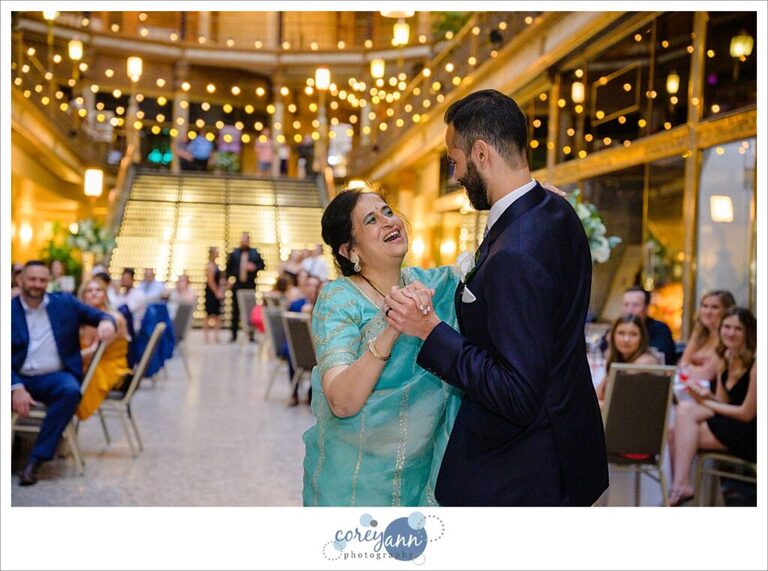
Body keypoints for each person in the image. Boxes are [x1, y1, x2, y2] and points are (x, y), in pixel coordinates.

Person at [383, 89, 608, 506]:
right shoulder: (556, 210)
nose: (455, 176)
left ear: (481, 154)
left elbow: (516, 392)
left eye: (455, 161)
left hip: (521, 470)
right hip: (562, 447)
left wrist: (430, 330)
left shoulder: (516, 252)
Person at [302, 188, 463, 506]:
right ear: (349, 250)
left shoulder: (431, 285)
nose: (389, 221)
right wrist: (395, 325)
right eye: (371, 220)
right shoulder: (339, 299)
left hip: (419, 476)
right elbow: (341, 402)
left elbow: (486, 264)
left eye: (388, 212)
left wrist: (531, 201)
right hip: (355, 481)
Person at [11, 261, 116, 485]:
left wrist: (106, 322)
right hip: (17, 375)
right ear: (20, 280)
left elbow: (102, 316)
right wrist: (14, 386)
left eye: (42, 280)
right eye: (32, 279)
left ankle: (36, 460)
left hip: (54, 377)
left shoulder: (65, 303)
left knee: (70, 391)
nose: (37, 284)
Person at [667, 307, 756, 506]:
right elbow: (722, 402)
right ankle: (684, 488)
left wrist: (706, 402)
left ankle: (680, 486)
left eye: (737, 329)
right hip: (730, 421)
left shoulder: (756, 365)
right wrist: (706, 396)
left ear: (748, 332)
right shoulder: (726, 357)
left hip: (750, 431)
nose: (730, 333)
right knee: (682, 415)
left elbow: (747, 414)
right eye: (726, 327)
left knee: (677, 432)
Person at [76, 278, 131, 420]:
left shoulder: (113, 319)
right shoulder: (80, 321)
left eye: (98, 290)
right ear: (82, 296)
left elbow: (95, 353)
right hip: (89, 365)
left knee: (66, 386)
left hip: (110, 369)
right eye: (89, 291)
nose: (94, 293)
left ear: (105, 294)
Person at [595, 314, 660, 403]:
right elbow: (598, 395)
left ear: (642, 338)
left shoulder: (645, 362)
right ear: (612, 336)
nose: (626, 339)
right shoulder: (617, 360)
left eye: (633, 334)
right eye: (621, 333)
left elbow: (618, 404)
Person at [678, 290, 736, 387]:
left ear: (727, 311)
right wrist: (691, 368)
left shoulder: (728, 337)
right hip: (690, 387)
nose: (708, 312)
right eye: (704, 306)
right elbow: (682, 365)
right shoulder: (699, 332)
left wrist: (689, 367)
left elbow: (706, 374)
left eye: (714, 307)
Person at [225, 232, 265, 342]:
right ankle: (234, 335)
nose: (244, 242)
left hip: (250, 285)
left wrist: (254, 267)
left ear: (249, 241)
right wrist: (230, 279)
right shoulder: (235, 253)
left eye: (245, 240)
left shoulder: (255, 253)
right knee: (235, 311)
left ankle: (251, 335)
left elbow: (262, 265)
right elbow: (228, 269)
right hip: (238, 285)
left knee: (250, 310)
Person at [621, 286, 676, 365]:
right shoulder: (615, 329)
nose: (629, 310)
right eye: (626, 305)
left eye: (635, 305)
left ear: (646, 308)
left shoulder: (660, 329)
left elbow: (661, 356)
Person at [204, 247, 224, 343]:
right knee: (208, 315)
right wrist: (217, 292)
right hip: (211, 293)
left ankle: (216, 336)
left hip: (216, 292)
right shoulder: (210, 266)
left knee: (217, 315)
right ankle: (206, 337)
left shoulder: (216, 265)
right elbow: (210, 281)